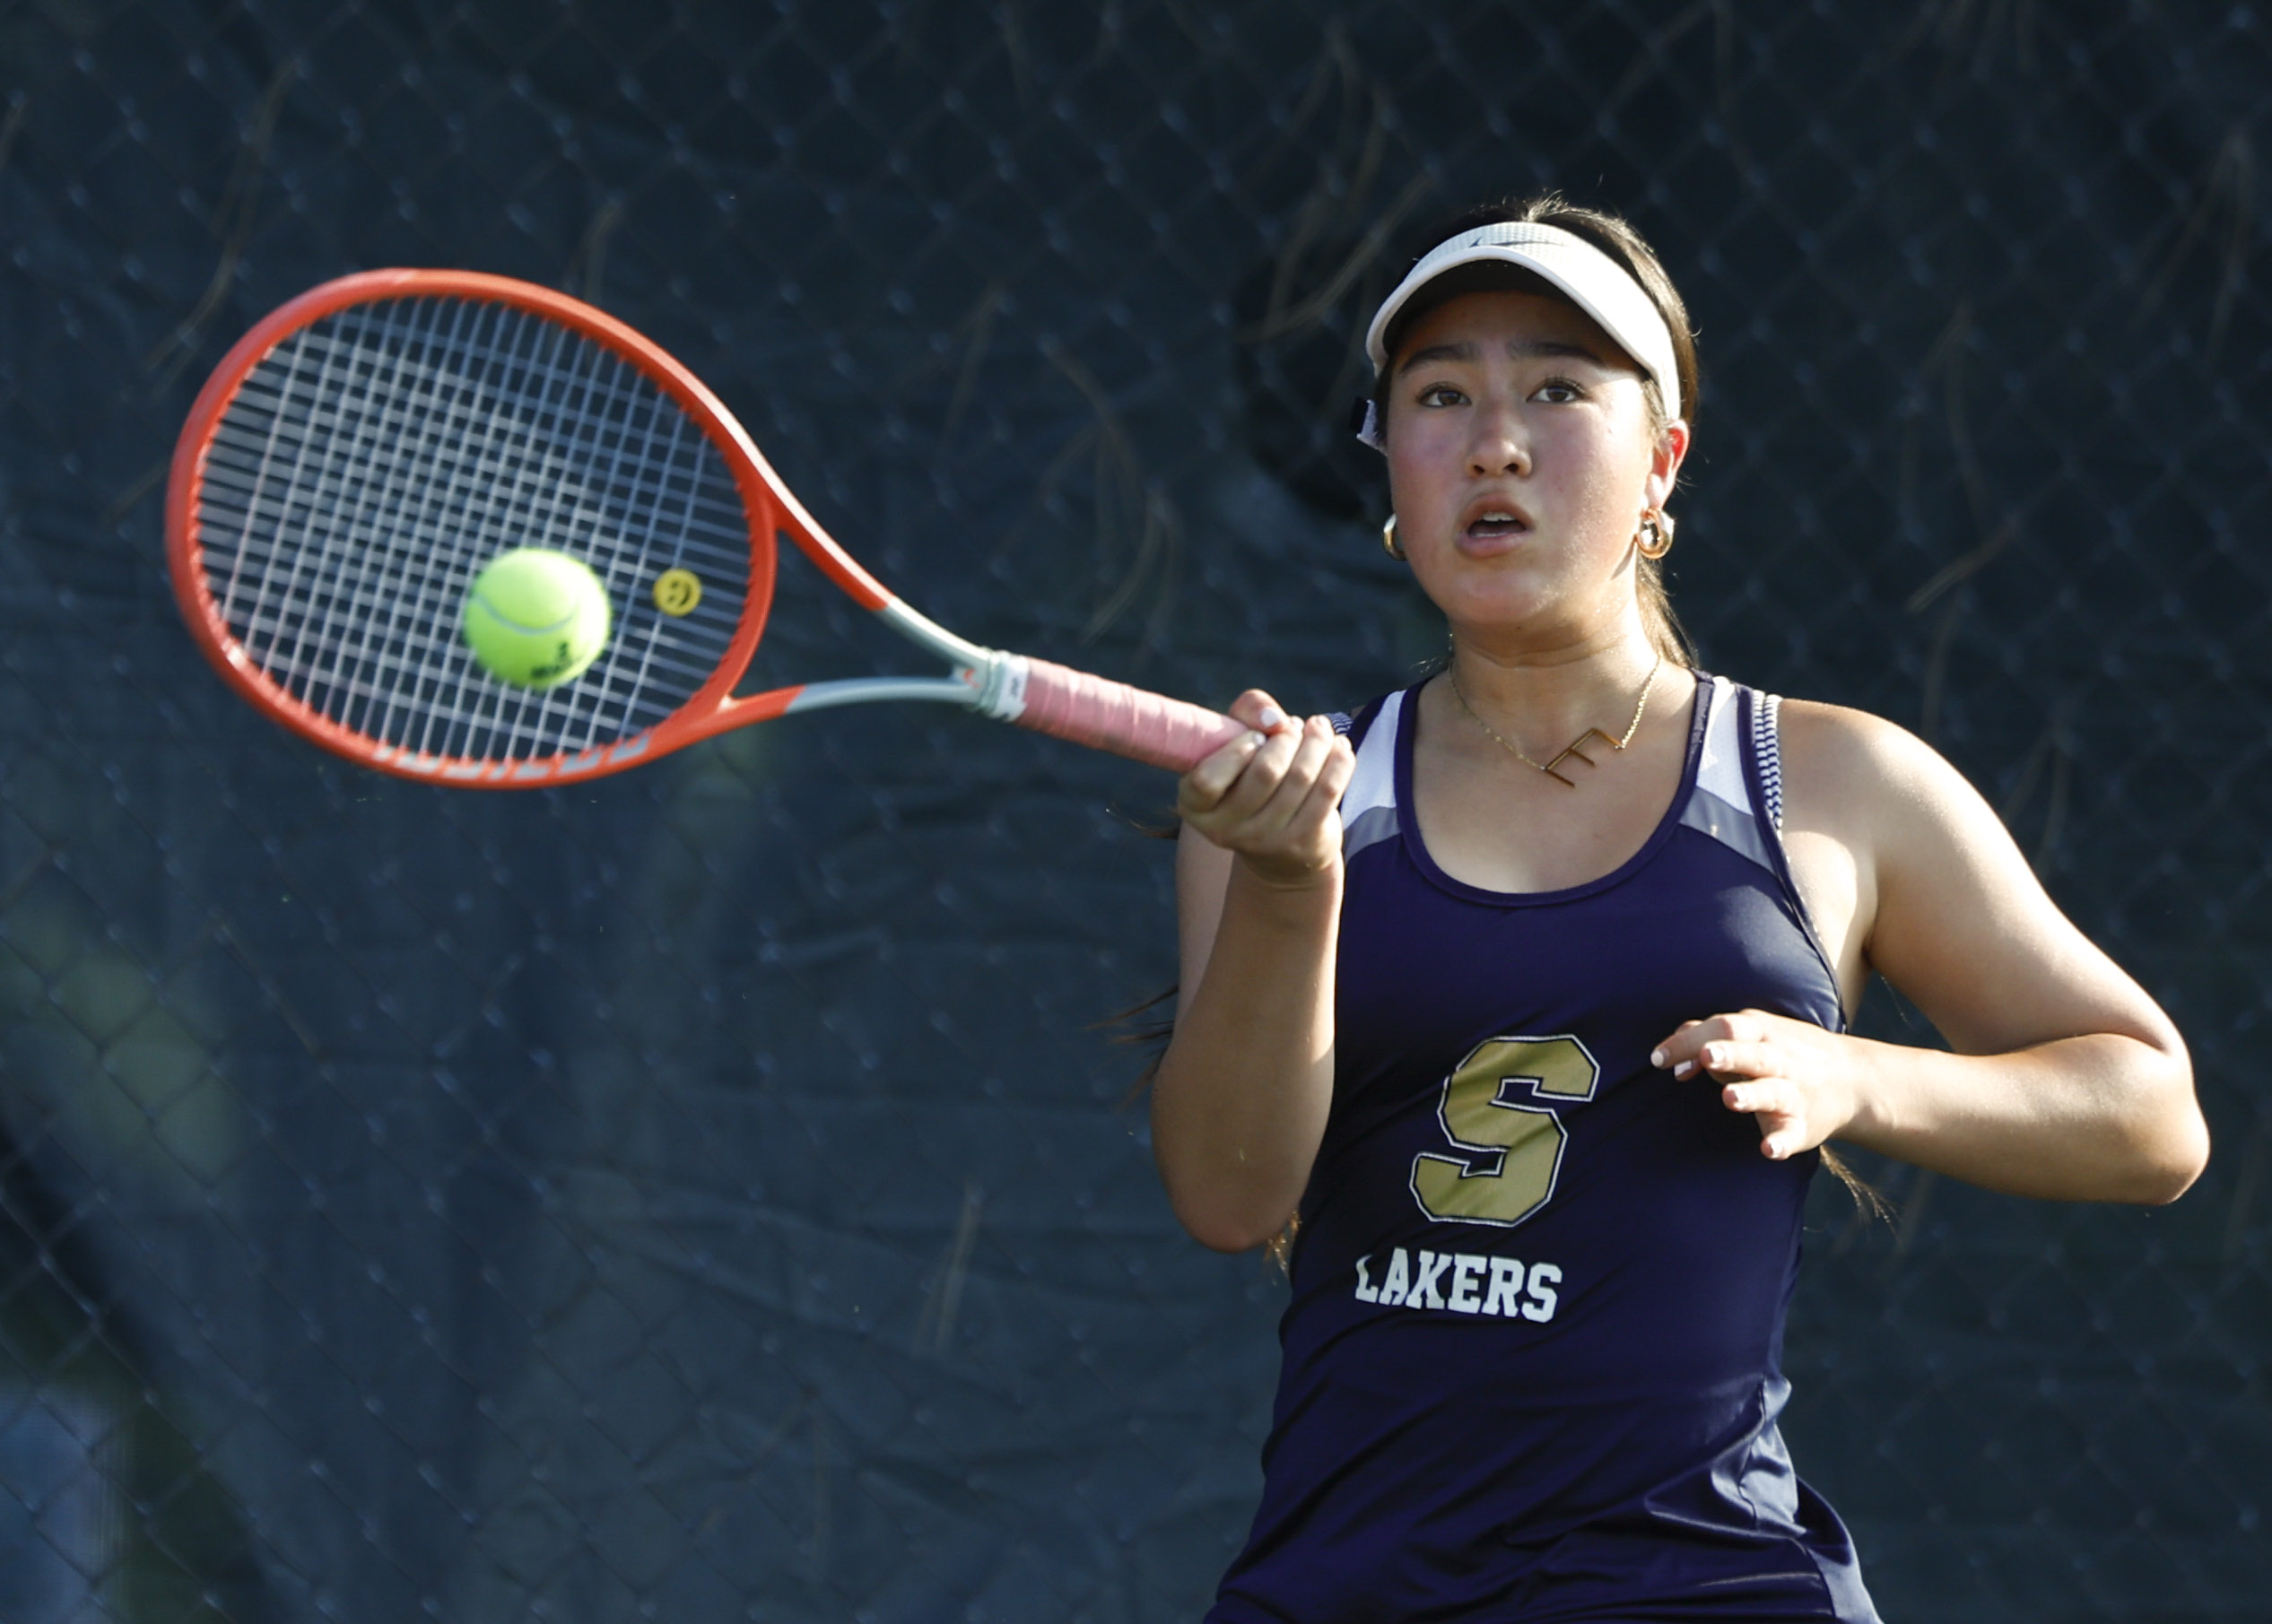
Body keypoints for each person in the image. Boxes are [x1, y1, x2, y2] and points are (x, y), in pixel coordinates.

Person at [1150, 195, 2207, 1621]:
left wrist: (1854, 1073)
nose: (1495, 441)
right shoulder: (1288, 806)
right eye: (1439, 394)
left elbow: (2149, 1116)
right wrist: (1287, 888)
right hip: (1346, 1584)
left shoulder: (1836, 780)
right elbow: (1227, 1195)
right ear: (1390, 477)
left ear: (1663, 463)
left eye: (1559, 389)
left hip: (1706, 1588)